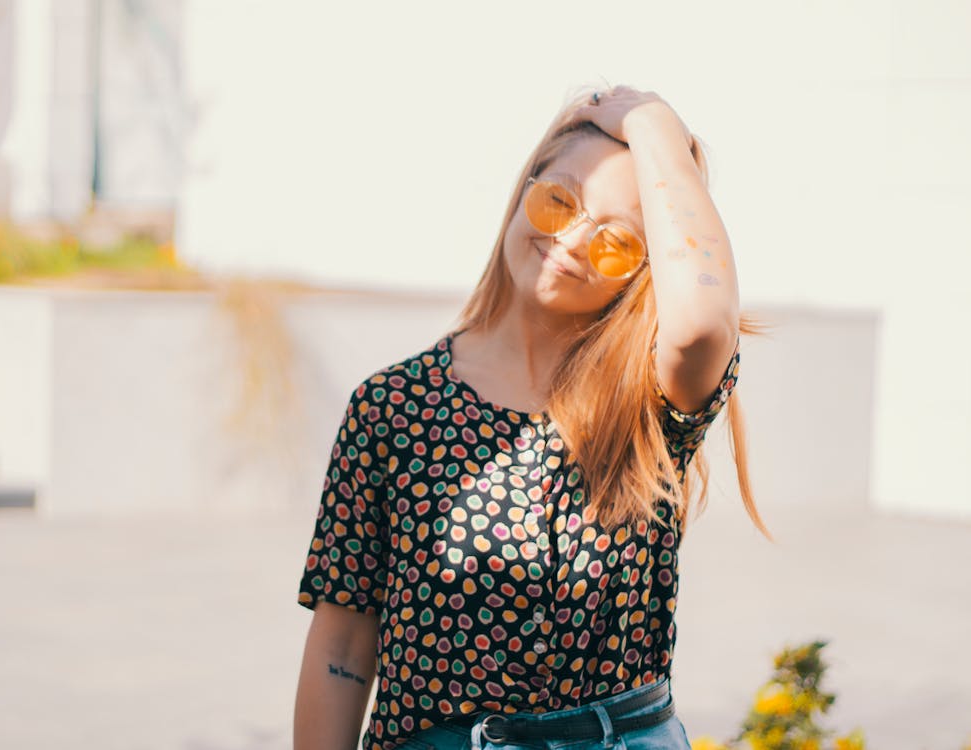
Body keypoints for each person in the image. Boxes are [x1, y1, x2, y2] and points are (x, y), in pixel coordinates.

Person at [293, 83, 770, 750]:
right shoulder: (391, 408)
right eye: (558, 202)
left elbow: (698, 322)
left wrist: (656, 125)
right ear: (527, 186)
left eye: (615, 241)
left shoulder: (645, 402)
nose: (572, 240)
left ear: (644, 270)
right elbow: (341, 643)